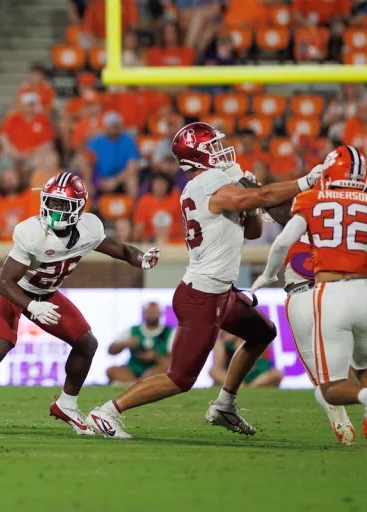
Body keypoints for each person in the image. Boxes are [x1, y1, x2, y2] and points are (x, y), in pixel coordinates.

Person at [84, 121, 324, 439]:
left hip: (219, 291)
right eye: (211, 145)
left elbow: (252, 230)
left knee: (262, 332)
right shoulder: (207, 183)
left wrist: (249, 200)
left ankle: (225, 404)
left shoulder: (212, 183)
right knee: (180, 378)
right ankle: (106, 413)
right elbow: (265, 196)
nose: (219, 150)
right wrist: (304, 182)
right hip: (203, 295)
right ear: (197, 154)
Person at [0, 172, 160, 436]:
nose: (54, 210)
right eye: (51, 203)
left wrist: (141, 258)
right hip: (14, 290)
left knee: (86, 343)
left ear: (79, 207)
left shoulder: (89, 229)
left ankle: (66, 405)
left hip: (46, 292)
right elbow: (6, 283)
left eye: (62, 205)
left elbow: (123, 250)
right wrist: (32, 306)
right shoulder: (32, 232)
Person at [252, 145, 367, 441]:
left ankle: (342, 418)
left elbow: (281, 231)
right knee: (363, 366)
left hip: (316, 294)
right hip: (359, 288)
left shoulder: (311, 202)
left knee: (327, 384)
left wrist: (267, 275)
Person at [106, 302, 174, 384]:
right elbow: (111, 350)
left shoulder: (170, 332)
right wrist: (125, 343)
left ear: (161, 314)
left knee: (167, 367)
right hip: (133, 370)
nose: (152, 315)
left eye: (154, 312)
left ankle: (137, 384)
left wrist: (155, 356)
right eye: (149, 312)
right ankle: (139, 384)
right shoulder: (133, 330)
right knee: (112, 370)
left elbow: (174, 359)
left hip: (156, 369)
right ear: (144, 314)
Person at [210, 331, 283, 388]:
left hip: (256, 376)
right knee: (214, 371)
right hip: (233, 377)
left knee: (277, 374)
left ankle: (248, 387)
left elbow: (261, 362)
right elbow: (217, 368)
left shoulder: (254, 336)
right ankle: (241, 387)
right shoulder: (221, 344)